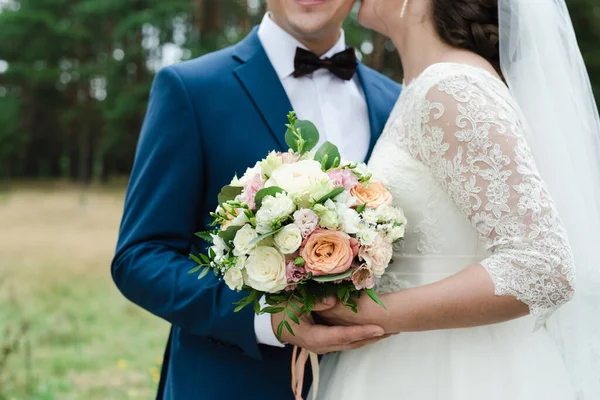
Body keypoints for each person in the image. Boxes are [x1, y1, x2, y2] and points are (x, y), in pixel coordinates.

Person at [110, 1, 400, 399]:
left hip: (373, 380)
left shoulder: (397, 101)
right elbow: (140, 257)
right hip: (228, 383)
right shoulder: (191, 88)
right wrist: (266, 320)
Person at [315, 0, 600, 399]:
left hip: (456, 370)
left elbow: (543, 265)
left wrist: (372, 314)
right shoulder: (424, 86)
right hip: (401, 363)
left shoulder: (451, 87)